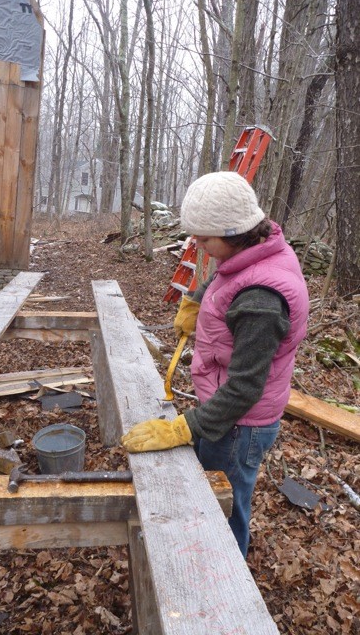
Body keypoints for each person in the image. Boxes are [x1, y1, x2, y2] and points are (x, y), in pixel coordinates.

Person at [121, 171, 309, 558]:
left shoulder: (261, 301)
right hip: (226, 414)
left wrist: (184, 427)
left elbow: (244, 389)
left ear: (235, 232)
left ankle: (224, 576)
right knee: (213, 494)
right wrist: (197, 299)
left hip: (241, 424)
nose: (197, 244)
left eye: (204, 238)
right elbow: (230, 274)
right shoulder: (258, 250)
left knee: (222, 507)